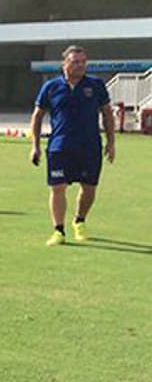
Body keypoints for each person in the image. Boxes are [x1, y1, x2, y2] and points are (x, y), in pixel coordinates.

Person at [30, 46, 116, 247]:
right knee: (58, 187)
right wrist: (34, 145)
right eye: (76, 61)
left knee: (89, 188)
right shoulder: (51, 87)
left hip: (89, 146)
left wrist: (111, 143)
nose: (80, 65)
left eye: (83, 62)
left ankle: (79, 220)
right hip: (59, 147)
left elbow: (107, 114)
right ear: (65, 64)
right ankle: (58, 230)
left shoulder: (95, 85)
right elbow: (37, 116)